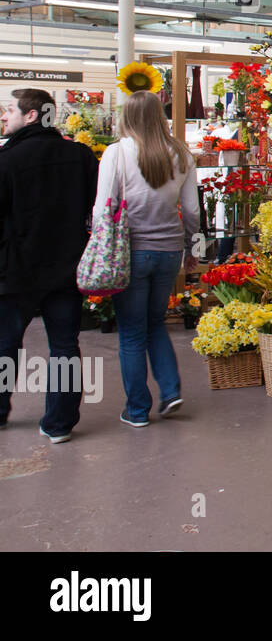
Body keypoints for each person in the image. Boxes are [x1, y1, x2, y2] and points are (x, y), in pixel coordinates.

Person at [0, 88, 98, 442]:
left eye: (10, 110)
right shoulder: (82, 157)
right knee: (65, 346)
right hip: (67, 268)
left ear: (30, 116)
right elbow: (94, 209)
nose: (4, 115)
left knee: (5, 343)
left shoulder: (7, 160)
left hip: (16, 271)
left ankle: (0, 410)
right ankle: (59, 423)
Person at [96, 91, 200, 428]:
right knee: (155, 322)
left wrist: (99, 246)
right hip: (170, 251)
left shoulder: (116, 153)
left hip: (130, 252)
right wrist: (193, 251)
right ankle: (170, 392)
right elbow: (193, 211)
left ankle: (137, 410)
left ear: (127, 116)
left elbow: (103, 207)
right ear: (160, 115)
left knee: (130, 331)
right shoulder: (181, 154)